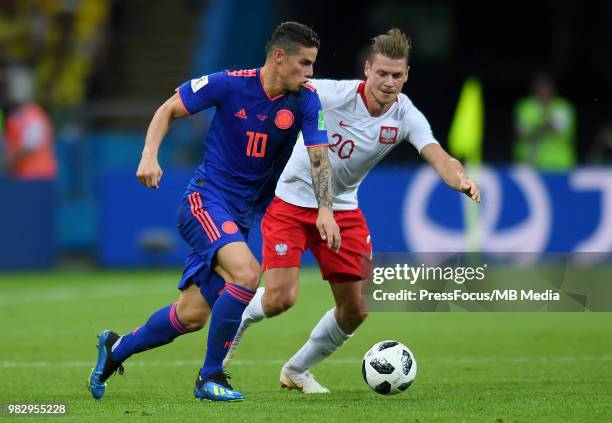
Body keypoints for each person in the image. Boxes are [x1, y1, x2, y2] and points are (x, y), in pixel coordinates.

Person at [88, 22, 340, 402]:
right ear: (278, 57)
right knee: (248, 273)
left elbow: (320, 158)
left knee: (190, 315)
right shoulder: (229, 83)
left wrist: (325, 209)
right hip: (205, 201)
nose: (310, 73)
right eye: (304, 63)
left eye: (312, 64)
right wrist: (149, 156)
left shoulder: (305, 100)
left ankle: (116, 348)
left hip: (241, 216)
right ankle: (211, 377)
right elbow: (168, 109)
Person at [222, 28, 481, 393]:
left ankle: (296, 370)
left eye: (397, 75)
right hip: (293, 202)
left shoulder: (406, 115)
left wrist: (460, 179)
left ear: (406, 75)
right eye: (382, 74)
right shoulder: (331, 93)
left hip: (343, 210)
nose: (389, 83)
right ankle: (235, 325)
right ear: (367, 70)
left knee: (356, 309)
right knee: (281, 298)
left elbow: (437, 154)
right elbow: (283, 84)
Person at [3, 64, 57, 180]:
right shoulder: (16, 116)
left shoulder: (34, 116)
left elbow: (30, 146)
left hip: (37, 177)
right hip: (22, 176)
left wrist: (9, 163)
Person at [513, 73, 576, 170]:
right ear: (534, 89)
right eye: (540, 87)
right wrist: (544, 127)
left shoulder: (562, 107)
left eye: (546, 88)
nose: (543, 91)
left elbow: (553, 130)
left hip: (558, 164)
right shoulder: (526, 107)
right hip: (528, 163)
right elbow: (521, 134)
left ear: (553, 89)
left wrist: (534, 129)